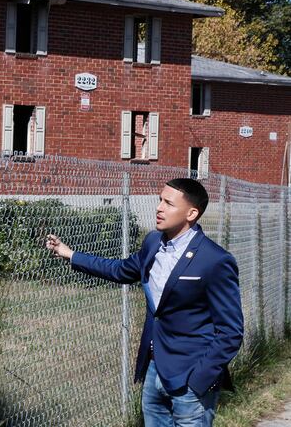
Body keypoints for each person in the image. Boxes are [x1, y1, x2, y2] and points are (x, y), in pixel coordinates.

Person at [45, 178, 243, 427]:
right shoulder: (153, 244)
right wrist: (70, 254)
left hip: (190, 379)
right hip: (153, 370)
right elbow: (119, 270)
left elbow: (231, 331)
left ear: (192, 213)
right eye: (160, 200)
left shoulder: (214, 260)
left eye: (169, 203)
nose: (159, 208)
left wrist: (200, 379)